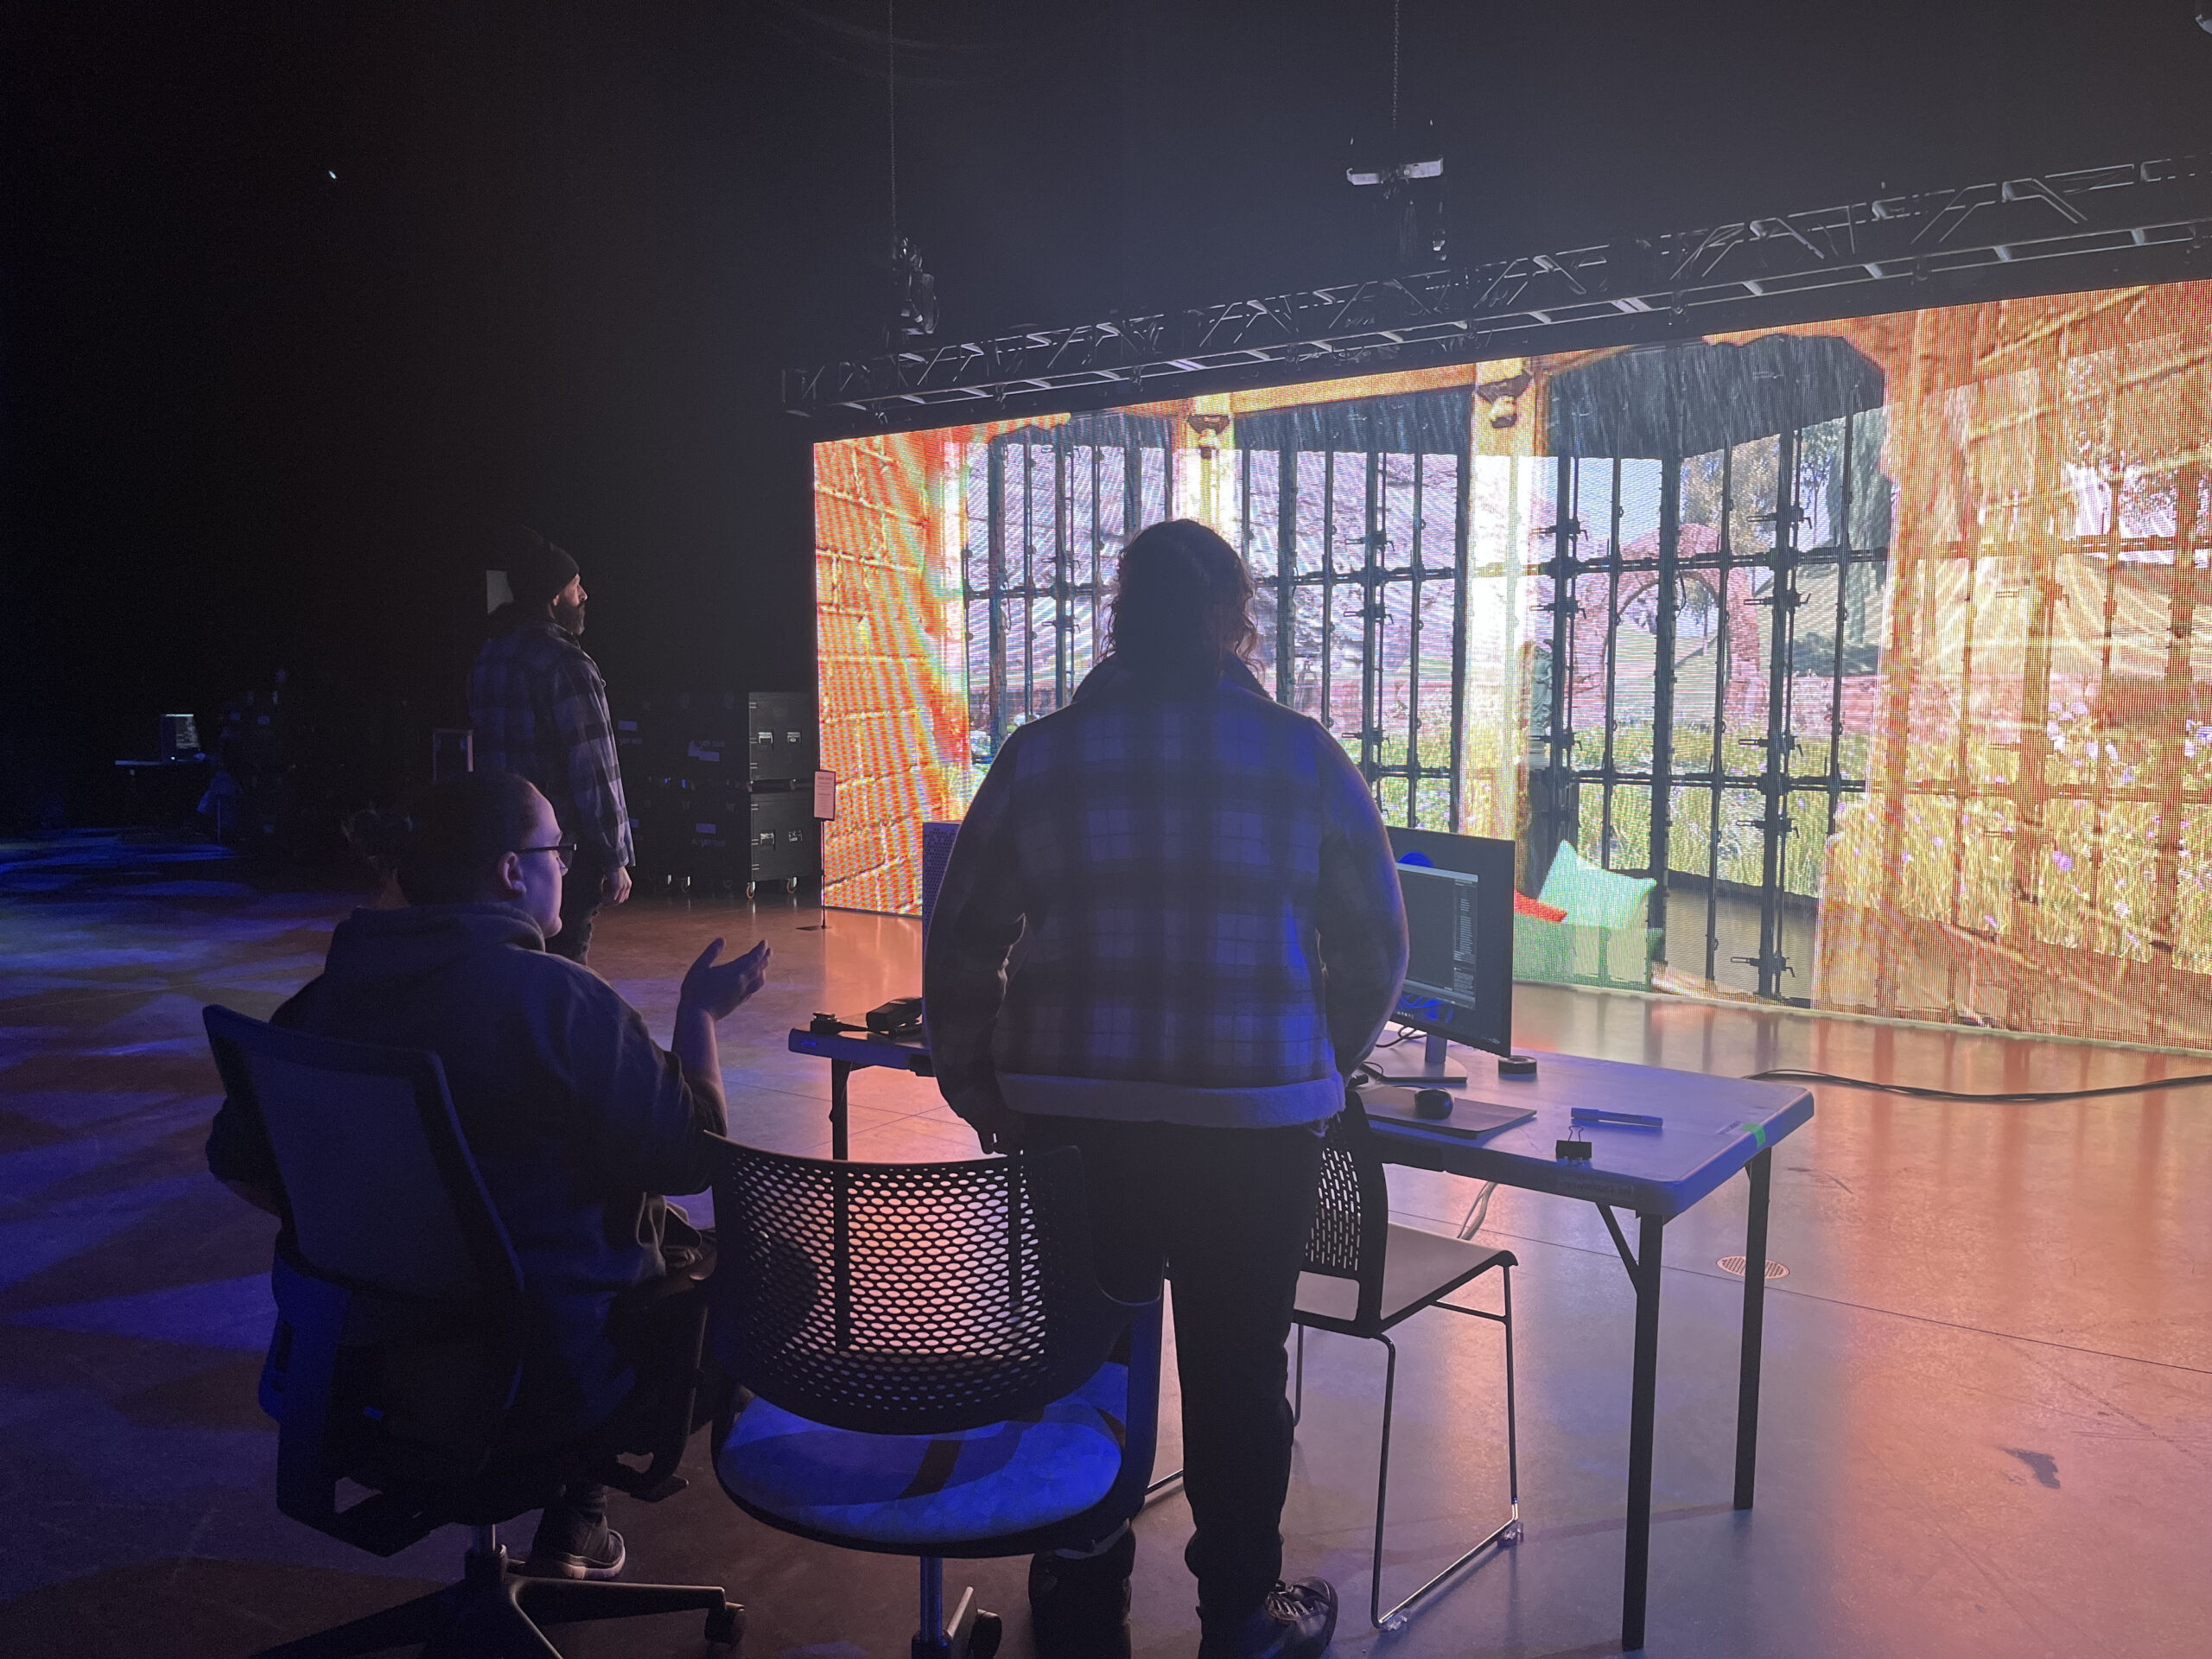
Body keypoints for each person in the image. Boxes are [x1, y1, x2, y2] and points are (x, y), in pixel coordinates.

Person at [924, 520, 1409, 1659]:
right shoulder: (1303, 756)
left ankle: (1081, 1597)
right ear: (1238, 623)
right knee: (1241, 1375)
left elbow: (960, 941)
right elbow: (1379, 942)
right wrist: (1310, 1061)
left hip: (1073, 1128)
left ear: (1116, 619)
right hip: (1256, 1137)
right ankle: (1242, 1613)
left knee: (1087, 1363)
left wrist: (981, 1087)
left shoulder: (1040, 756)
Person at [207, 770, 770, 1580]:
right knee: (771, 1271)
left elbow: (240, 1165)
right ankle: (581, 1497)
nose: (567, 868)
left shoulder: (320, 1004)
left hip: (358, 1373)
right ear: (512, 870)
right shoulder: (556, 1000)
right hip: (540, 1385)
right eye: (558, 849)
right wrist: (700, 1017)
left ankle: (574, 1514)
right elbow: (694, 1153)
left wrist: (386, 1258)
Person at [468, 528, 634, 964]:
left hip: (499, 855)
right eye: (576, 584)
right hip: (558, 860)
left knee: (511, 972)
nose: (584, 594)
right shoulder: (565, 664)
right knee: (563, 977)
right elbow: (594, 768)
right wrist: (614, 856)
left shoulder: (489, 656)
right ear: (554, 595)